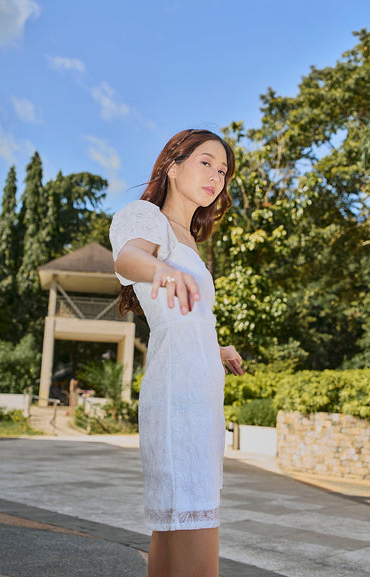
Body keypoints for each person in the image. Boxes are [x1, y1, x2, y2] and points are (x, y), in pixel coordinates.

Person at [109, 129, 243, 577]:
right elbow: (128, 260)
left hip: (199, 390)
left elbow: (186, 319)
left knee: (175, 525)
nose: (216, 176)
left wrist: (215, 347)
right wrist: (163, 269)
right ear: (173, 164)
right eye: (206, 162)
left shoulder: (191, 243)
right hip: (179, 395)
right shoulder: (147, 219)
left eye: (222, 170)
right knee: (194, 516)